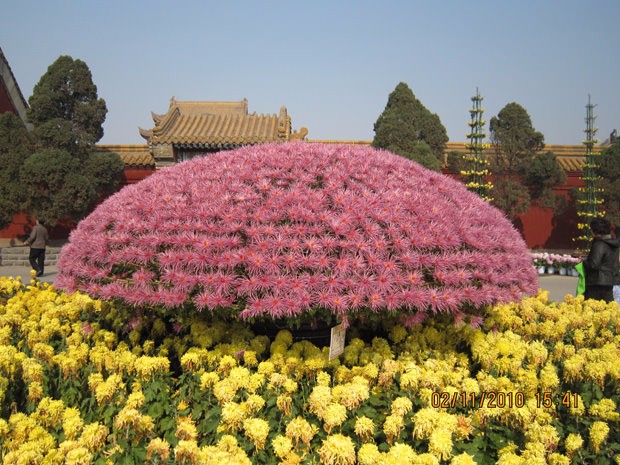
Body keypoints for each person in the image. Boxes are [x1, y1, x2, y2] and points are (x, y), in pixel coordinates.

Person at [582, 218, 620, 303]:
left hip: (596, 282)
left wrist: (584, 262)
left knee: (592, 309)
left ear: (595, 231)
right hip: (609, 281)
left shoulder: (599, 244)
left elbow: (593, 265)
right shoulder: (613, 244)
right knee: (607, 309)